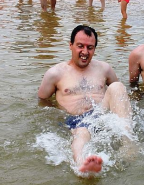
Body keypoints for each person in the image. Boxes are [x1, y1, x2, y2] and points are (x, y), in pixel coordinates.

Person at [38, 25, 133, 174]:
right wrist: (57, 118)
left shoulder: (104, 69)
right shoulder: (55, 73)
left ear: (95, 49)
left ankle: (128, 145)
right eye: (80, 46)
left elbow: (119, 97)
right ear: (70, 45)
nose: (85, 52)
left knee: (117, 86)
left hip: (102, 115)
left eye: (90, 47)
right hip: (76, 120)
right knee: (82, 132)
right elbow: (42, 101)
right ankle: (84, 165)